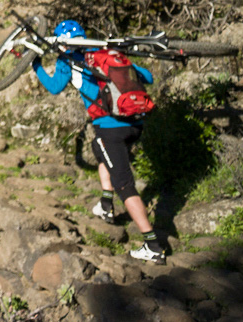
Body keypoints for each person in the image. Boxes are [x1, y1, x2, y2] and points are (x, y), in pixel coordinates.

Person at [31, 20, 166, 265]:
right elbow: (147, 77)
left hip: (110, 128)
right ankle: (105, 204)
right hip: (135, 124)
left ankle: (153, 245)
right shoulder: (107, 53)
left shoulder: (68, 61)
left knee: (125, 185)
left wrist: (36, 66)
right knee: (99, 149)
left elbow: (53, 87)